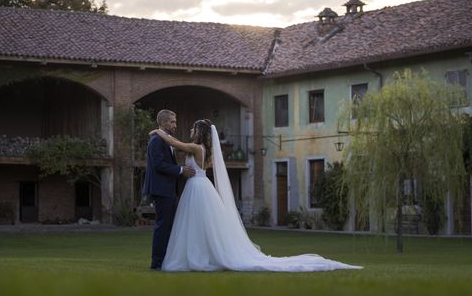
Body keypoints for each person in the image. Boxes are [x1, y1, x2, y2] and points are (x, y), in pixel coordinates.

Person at [150, 119, 363, 272]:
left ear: (200, 132)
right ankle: (197, 255)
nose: (189, 130)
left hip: (197, 189)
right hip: (198, 187)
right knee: (198, 226)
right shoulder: (202, 149)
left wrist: (158, 132)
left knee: (197, 224)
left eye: (193, 128)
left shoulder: (197, 148)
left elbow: (175, 144)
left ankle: (198, 257)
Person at [142, 109, 195, 270]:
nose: (175, 125)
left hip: (169, 189)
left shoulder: (166, 139)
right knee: (163, 226)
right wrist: (180, 170)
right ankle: (156, 264)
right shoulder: (156, 141)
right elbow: (158, 164)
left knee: (169, 226)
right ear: (163, 122)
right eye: (172, 122)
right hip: (161, 190)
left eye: (175, 122)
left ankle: (166, 261)